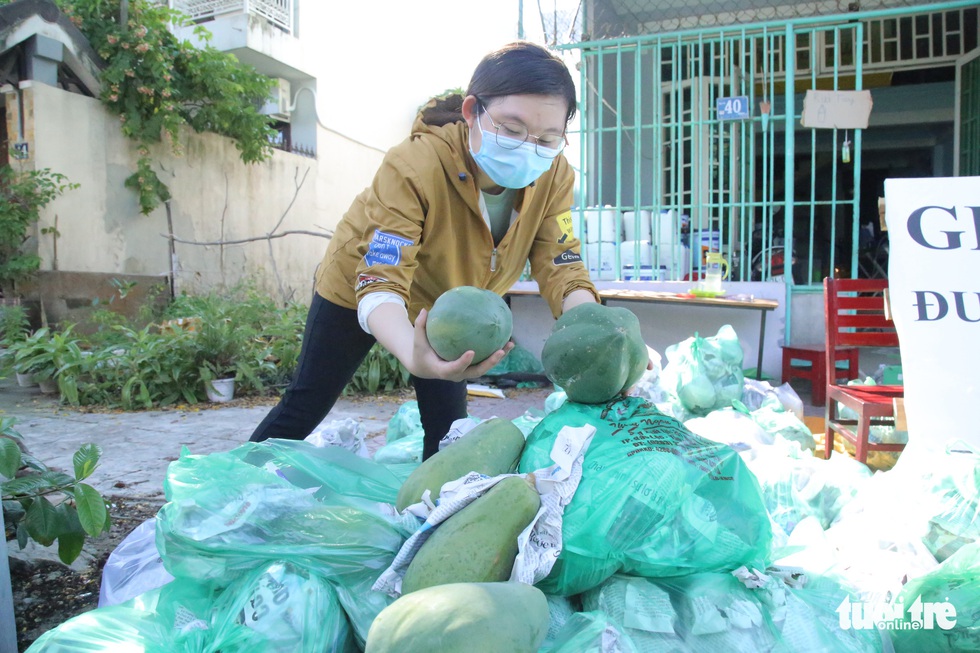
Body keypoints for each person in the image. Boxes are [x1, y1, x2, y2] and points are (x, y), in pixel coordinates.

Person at [250, 41, 601, 460]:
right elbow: (381, 273)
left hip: (448, 305)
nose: (529, 148)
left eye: (548, 138)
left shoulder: (554, 174)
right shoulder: (415, 164)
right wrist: (414, 354)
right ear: (472, 111)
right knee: (306, 405)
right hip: (359, 289)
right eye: (511, 130)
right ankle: (222, 494)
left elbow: (562, 262)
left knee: (449, 430)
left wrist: (599, 332)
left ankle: (431, 516)